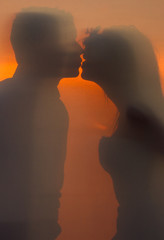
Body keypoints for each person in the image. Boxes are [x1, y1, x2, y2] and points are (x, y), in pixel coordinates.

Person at [0, 7, 82, 240]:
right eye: (68, 40)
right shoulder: (6, 103)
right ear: (34, 48)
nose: (79, 48)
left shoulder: (53, 106)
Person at [82, 26, 164, 239]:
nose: (83, 53)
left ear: (118, 63)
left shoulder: (138, 115)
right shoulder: (132, 110)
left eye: (94, 49)